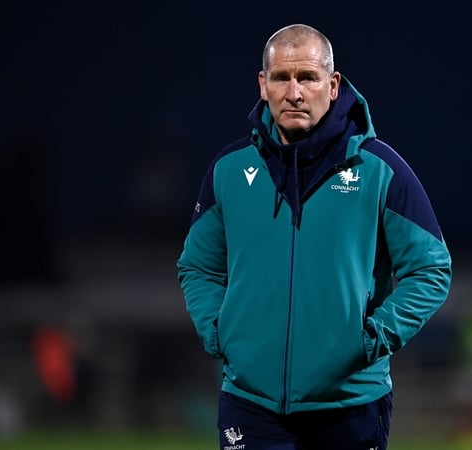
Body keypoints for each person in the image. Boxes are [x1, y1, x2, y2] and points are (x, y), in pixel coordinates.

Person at [176, 23, 452, 450]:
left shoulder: (380, 169)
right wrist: (219, 331)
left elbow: (431, 269)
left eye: (307, 77)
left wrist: (372, 337)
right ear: (262, 85)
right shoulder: (228, 169)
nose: (295, 92)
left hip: (351, 403)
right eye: (282, 78)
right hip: (251, 403)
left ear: (334, 84)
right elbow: (197, 266)